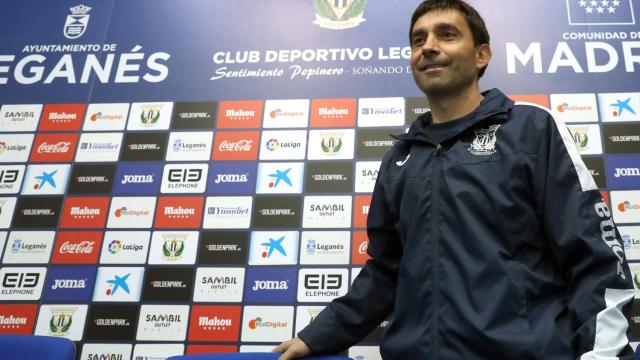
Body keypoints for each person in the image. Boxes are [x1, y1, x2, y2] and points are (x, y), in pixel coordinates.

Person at [274, 0, 635, 358]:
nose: (428, 46)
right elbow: (386, 273)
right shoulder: (400, 157)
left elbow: (595, 257)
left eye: (446, 35)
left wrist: (601, 353)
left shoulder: (532, 129)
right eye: (418, 40)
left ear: (482, 55)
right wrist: (318, 335)